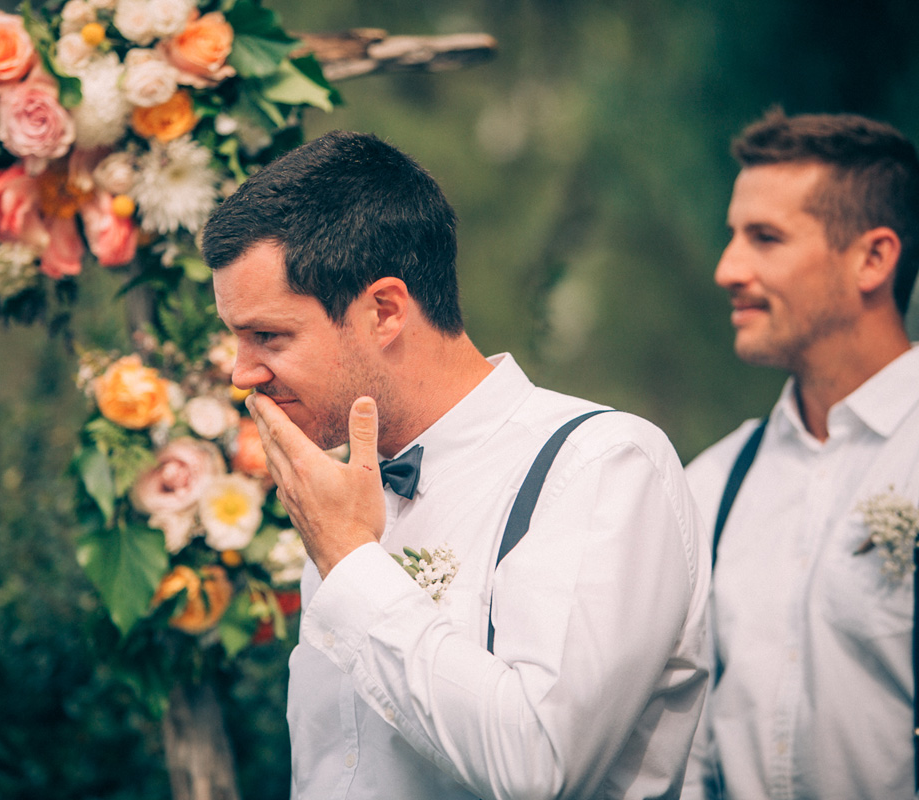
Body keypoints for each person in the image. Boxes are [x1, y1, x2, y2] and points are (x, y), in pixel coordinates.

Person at [202, 130, 710, 799]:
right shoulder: (344, 489)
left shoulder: (602, 467)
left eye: (268, 336)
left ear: (384, 311)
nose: (241, 374)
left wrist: (353, 562)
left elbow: (537, 764)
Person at [682, 109, 919, 799]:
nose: (728, 269)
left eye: (766, 238)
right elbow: (689, 742)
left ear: (873, 258)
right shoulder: (715, 483)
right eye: (733, 237)